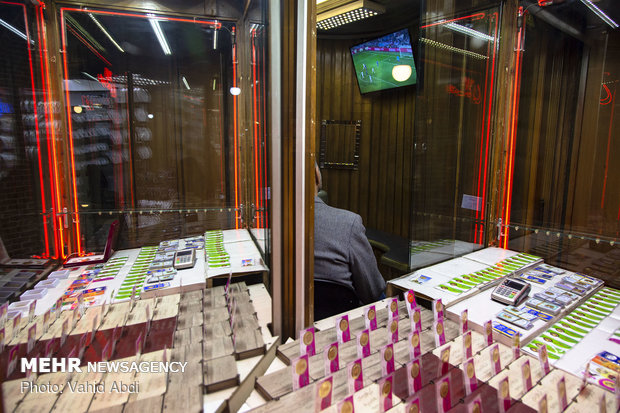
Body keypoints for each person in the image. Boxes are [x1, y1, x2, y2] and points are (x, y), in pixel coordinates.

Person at [314, 163, 386, 304]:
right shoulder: (349, 223)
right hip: (342, 323)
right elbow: (373, 290)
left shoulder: (278, 225)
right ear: (316, 174)